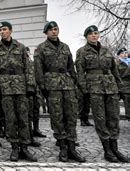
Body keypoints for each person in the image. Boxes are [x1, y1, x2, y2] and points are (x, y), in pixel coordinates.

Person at [34, 21, 86, 162]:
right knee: (57, 117)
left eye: (55, 29)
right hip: (52, 86)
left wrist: (74, 82)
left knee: (71, 116)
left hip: (67, 85)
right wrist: (43, 88)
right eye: (50, 30)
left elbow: (71, 67)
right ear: (46, 32)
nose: (54, 32)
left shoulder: (65, 47)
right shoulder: (41, 48)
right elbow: (38, 70)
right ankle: (63, 148)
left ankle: (72, 148)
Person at [75, 25, 128, 163]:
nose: (94, 35)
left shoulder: (106, 50)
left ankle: (115, 148)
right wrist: (84, 89)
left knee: (114, 117)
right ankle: (107, 150)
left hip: (110, 87)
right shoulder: (82, 52)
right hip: (95, 88)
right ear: (86, 36)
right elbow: (80, 72)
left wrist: (120, 87)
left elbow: (115, 70)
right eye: (91, 34)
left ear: (98, 35)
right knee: (100, 119)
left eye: (96, 33)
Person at [0, 21, 37, 162]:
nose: (2, 32)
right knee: (10, 119)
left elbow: (28, 68)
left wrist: (30, 86)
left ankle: (24, 147)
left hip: (21, 87)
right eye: (0, 31)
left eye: (4, 29)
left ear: (10, 31)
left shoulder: (21, 47)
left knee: (23, 118)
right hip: (5, 88)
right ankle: (14, 147)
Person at [116, 48, 130, 121]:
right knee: (128, 102)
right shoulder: (117, 64)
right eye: (122, 53)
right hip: (123, 86)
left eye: (126, 53)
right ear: (119, 55)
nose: (125, 54)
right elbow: (116, 75)